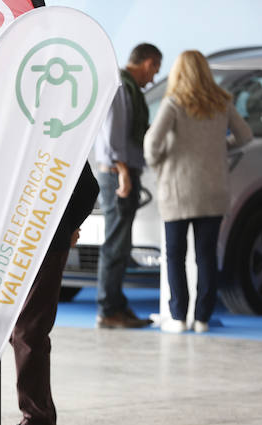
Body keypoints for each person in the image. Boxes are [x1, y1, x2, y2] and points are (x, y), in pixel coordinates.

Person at [144, 50, 252, 333]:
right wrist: (220, 148)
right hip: (213, 189)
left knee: (175, 255)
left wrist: (160, 162)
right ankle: (202, 318)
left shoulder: (173, 103)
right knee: (205, 256)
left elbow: (151, 143)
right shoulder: (222, 103)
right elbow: (245, 136)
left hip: (178, 190)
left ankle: (179, 316)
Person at [2, 165, 100, 425]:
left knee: (27, 332)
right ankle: (37, 418)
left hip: (44, 242)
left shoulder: (51, 133)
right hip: (23, 243)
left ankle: (38, 422)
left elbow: (88, 188)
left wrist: (69, 226)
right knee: (20, 331)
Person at [93, 43, 162, 329]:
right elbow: (112, 135)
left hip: (121, 171)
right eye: (155, 70)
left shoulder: (127, 86)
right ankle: (108, 310)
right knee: (116, 244)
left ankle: (117, 305)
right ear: (147, 63)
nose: (154, 78)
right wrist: (123, 172)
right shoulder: (121, 86)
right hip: (117, 173)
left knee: (121, 242)